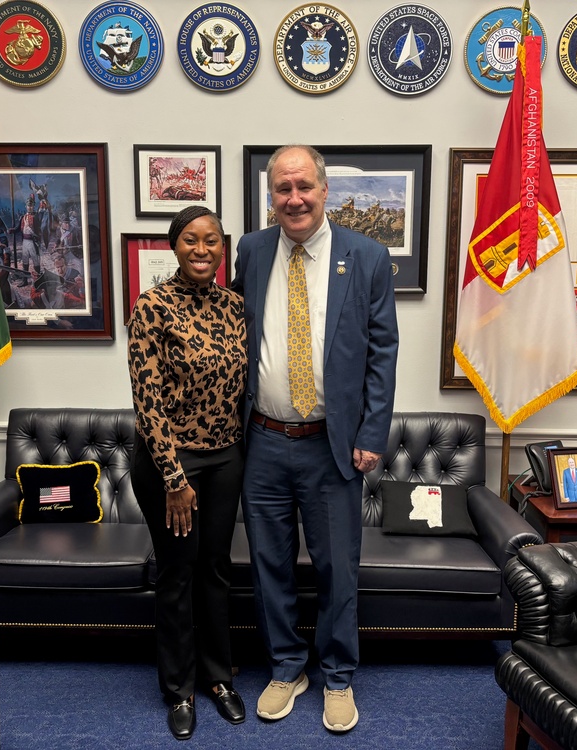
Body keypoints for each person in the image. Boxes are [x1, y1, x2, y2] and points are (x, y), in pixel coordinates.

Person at [233, 144, 399, 733]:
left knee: (337, 569)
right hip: (263, 443)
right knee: (268, 564)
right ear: (270, 196)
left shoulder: (368, 256)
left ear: (324, 190)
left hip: (334, 445)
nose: (294, 198)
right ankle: (285, 667)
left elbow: (383, 354)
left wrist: (372, 433)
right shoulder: (251, 251)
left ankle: (337, 675)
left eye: (304, 186)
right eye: (283, 189)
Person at [128, 206, 248, 740]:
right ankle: (179, 688)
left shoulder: (235, 307)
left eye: (213, 241)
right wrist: (175, 479)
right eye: (191, 241)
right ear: (174, 246)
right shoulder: (152, 306)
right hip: (169, 462)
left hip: (225, 458)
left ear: (224, 248)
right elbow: (147, 402)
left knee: (216, 569)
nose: (203, 250)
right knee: (177, 574)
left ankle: (219, 678)